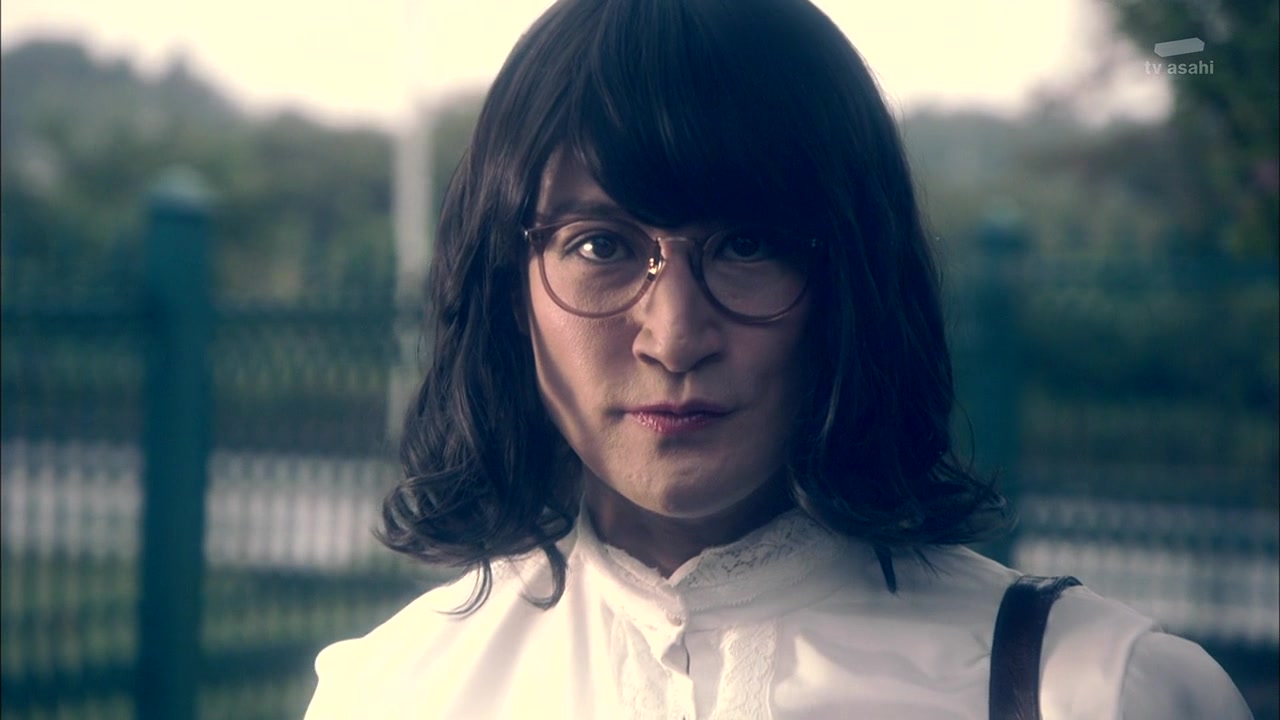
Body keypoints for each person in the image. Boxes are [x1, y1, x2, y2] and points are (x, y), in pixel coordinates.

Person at [305, 0, 1253, 718]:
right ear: (507, 287)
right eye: (600, 245)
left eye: (749, 245)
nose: (675, 336)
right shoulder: (390, 694)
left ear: (851, 281)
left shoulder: (1095, 690)